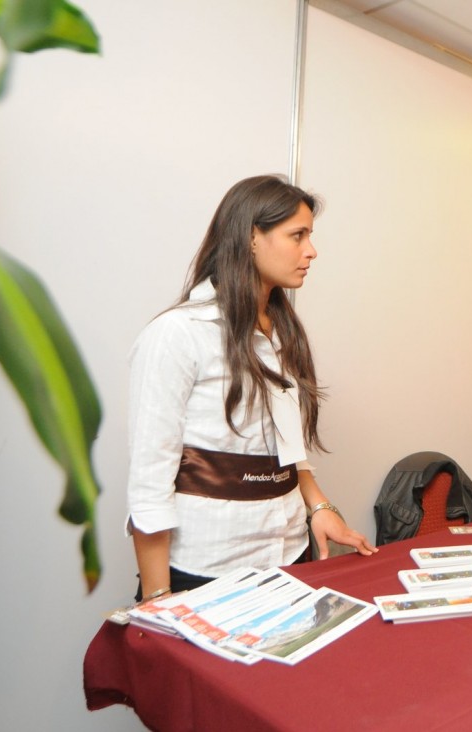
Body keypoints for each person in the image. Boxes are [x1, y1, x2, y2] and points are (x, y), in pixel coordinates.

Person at [125, 174, 377, 604]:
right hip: (208, 567)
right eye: (297, 236)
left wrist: (318, 507)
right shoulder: (178, 334)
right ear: (251, 237)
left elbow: (285, 443)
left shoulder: (279, 331)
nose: (311, 251)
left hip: (287, 551)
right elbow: (149, 483)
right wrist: (157, 596)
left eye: (309, 236)